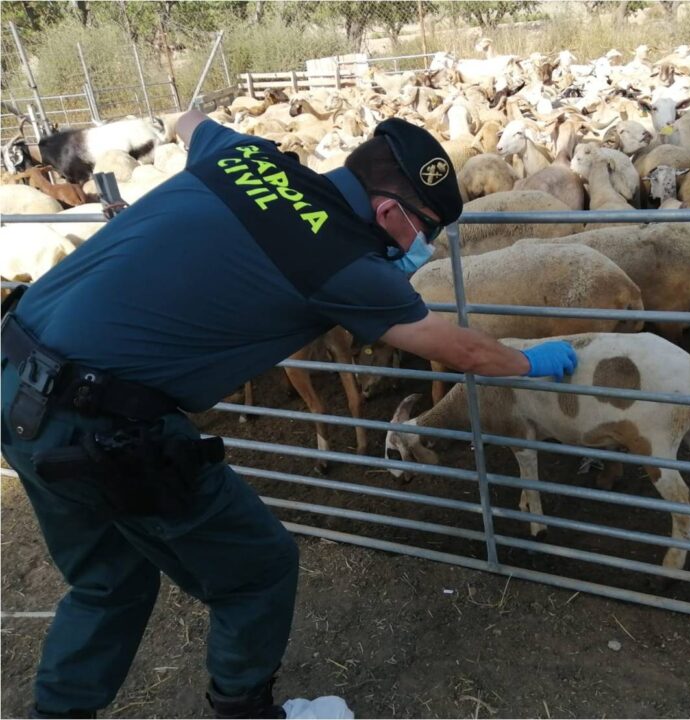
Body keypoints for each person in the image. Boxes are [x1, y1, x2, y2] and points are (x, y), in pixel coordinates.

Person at [0, 110, 577, 719]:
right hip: (103, 428)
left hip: (16, 387)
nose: (424, 249)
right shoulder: (345, 263)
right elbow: (462, 350)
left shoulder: (245, 155)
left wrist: (156, 123)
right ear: (389, 214)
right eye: (425, 231)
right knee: (258, 570)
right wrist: (528, 362)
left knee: (106, 581)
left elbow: (190, 121)